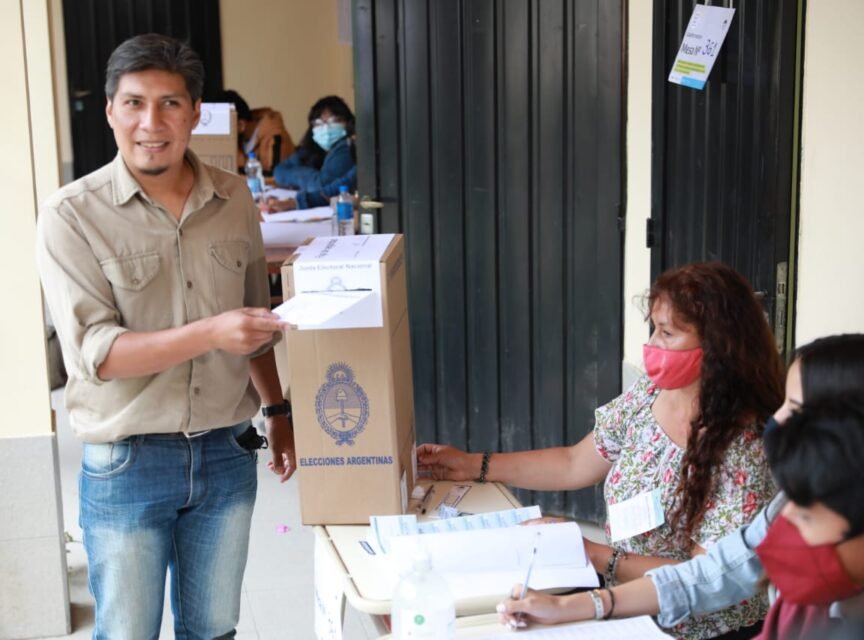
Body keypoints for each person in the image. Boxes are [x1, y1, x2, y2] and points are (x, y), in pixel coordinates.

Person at [35, 33, 295, 639]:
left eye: (171, 104)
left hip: (227, 452)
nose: (151, 123)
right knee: (127, 633)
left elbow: (252, 317)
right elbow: (97, 354)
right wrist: (210, 332)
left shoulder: (233, 198)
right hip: (128, 460)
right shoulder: (70, 215)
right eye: (134, 103)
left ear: (196, 112)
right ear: (109, 110)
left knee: (214, 628)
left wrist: (278, 410)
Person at [418, 261, 784, 640]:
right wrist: (472, 465)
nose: (653, 346)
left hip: (699, 628)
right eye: (653, 329)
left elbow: (704, 578)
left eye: (668, 333)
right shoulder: (650, 395)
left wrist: (594, 555)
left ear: (717, 347)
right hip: (622, 601)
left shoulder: (744, 450)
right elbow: (574, 463)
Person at [496, 334, 864, 638]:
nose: (778, 419)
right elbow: (714, 572)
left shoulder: (746, 451)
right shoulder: (794, 499)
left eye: (795, 408)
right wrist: (572, 606)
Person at [265, 95, 357, 211]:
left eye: (334, 121)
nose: (326, 129)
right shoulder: (311, 149)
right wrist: (313, 178)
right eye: (319, 123)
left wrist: (303, 184)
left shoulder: (346, 147)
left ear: (348, 123)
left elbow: (322, 186)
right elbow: (280, 171)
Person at [214, 89, 294, 174]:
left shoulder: (275, 139)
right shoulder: (237, 140)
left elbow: (276, 179)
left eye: (222, 125)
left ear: (241, 125)